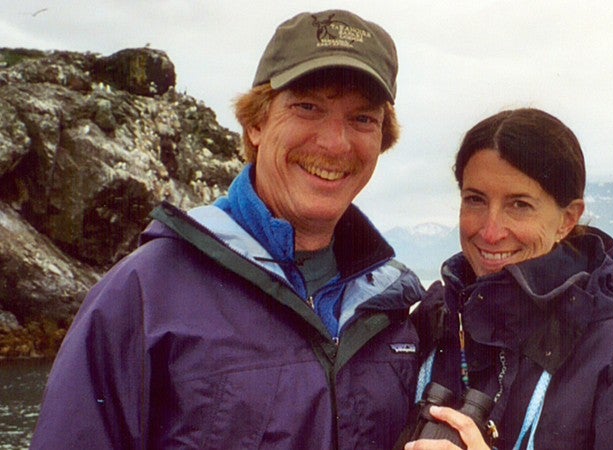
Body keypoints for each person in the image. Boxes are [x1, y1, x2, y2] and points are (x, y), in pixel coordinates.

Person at [32, 9, 425, 449]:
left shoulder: (399, 310)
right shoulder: (143, 294)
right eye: (308, 107)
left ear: (382, 139)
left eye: (363, 119)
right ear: (256, 122)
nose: (335, 143)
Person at [403, 109, 613, 449]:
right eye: (475, 200)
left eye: (519, 204)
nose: (490, 231)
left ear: (567, 219)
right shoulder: (424, 332)